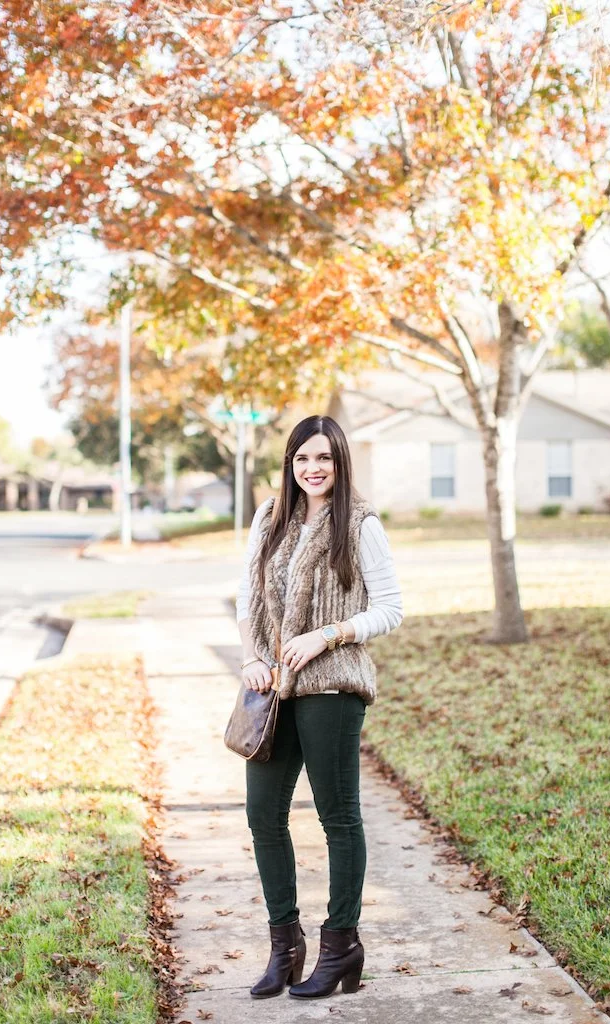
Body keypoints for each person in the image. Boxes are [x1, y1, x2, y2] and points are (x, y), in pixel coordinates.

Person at [235, 414, 403, 1000]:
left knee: (338, 817)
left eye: (324, 459)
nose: (313, 469)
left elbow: (390, 608)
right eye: (303, 458)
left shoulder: (360, 524)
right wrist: (254, 656)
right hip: (274, 687)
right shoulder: (269, 517)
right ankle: (285, 945)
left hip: (332, 688)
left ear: (340, 463)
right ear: (289, 462)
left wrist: (327, 635)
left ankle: (341, 947)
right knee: (262, 815)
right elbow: (248, 598)